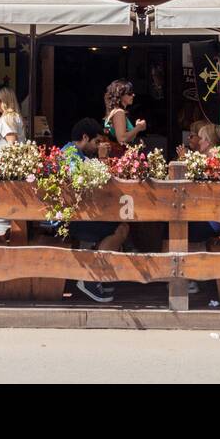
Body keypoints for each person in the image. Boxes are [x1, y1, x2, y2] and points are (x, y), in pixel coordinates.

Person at [62, 116, 128, 303]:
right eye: (97, 141)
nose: (98, 145)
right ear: (85, 137)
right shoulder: (71, 155)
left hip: (78, 216)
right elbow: (78, 183)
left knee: (118, 225)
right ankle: (90, 278)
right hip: (72, 220)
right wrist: (101, 159)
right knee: (121, 228)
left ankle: (98, 275)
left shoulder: (74, 152)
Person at [103, 79, 146, 148]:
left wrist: (137, 128)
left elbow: (128, 138)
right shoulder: (119, 112)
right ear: (120, 95)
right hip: (119, 155)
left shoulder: (115, 111)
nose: (133, 95)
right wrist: (138, 128)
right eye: (129, 93)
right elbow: (122, 139)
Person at [0, 87, 25, 156]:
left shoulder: (8, 118)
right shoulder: (12, 117)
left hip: (3, 164)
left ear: (2, 100)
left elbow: (12, 146)